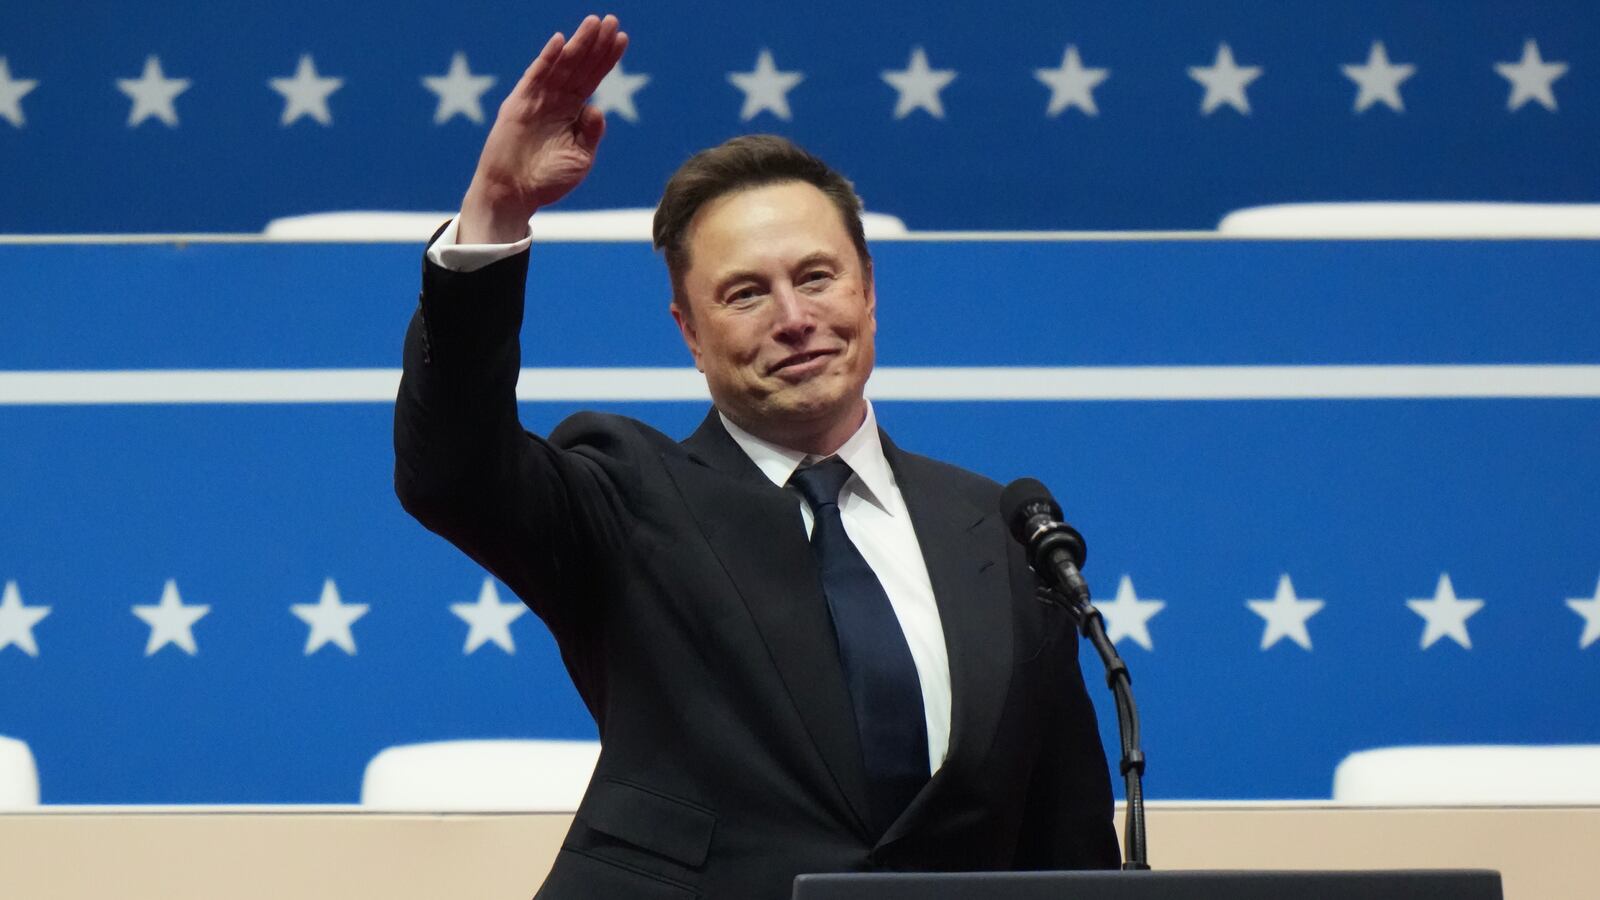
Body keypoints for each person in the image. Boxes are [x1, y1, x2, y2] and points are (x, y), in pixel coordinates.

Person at [395, 13, 1119, 899]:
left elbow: (1067, 838)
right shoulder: (625, 496)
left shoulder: (1004, 532)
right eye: (745, 294)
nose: (792, 318)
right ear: (690, 335)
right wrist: (496, 210)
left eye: (816, 276)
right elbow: (452, 468)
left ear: (867, 290)